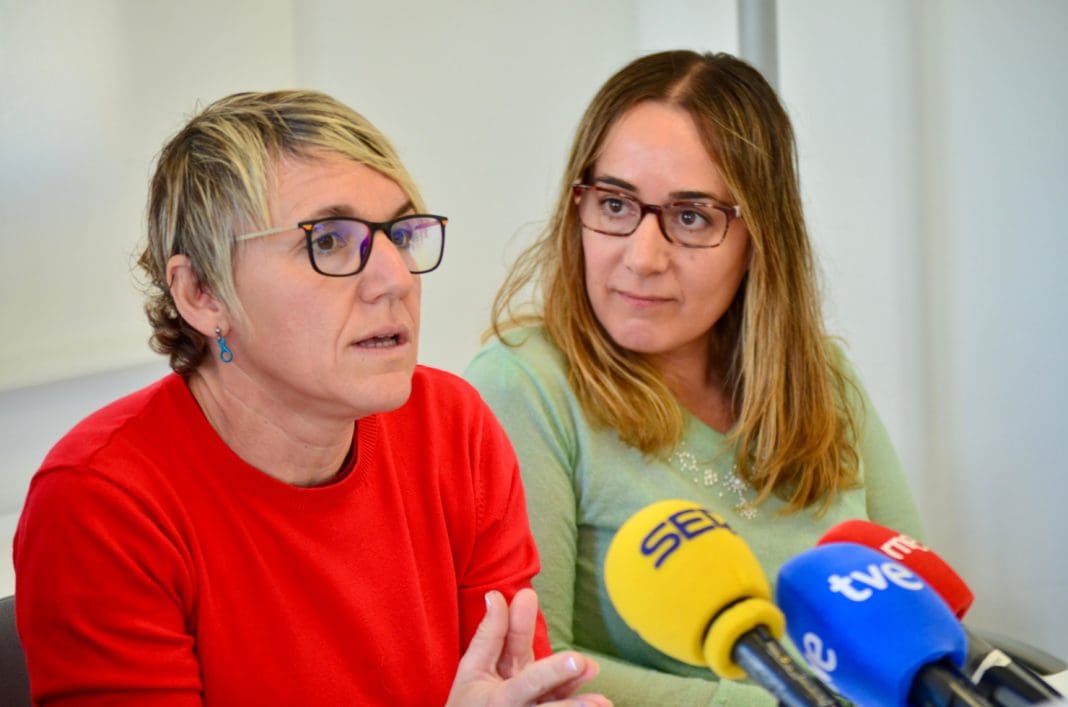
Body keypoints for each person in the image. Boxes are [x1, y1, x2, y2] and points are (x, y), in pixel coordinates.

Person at [13, 90, 611, 707]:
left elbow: (517, 687)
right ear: (201, 294)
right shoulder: (102, 504)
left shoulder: (453, 428)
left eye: (400, 235)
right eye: (327, 241)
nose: (396, 279)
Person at [464, 50, 925, 705]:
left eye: (691, 217)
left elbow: (917, 609)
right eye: (615, 204)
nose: (643, 257)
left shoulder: (823, 376)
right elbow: (532, 663)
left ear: (760, 237)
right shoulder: (523, 384)